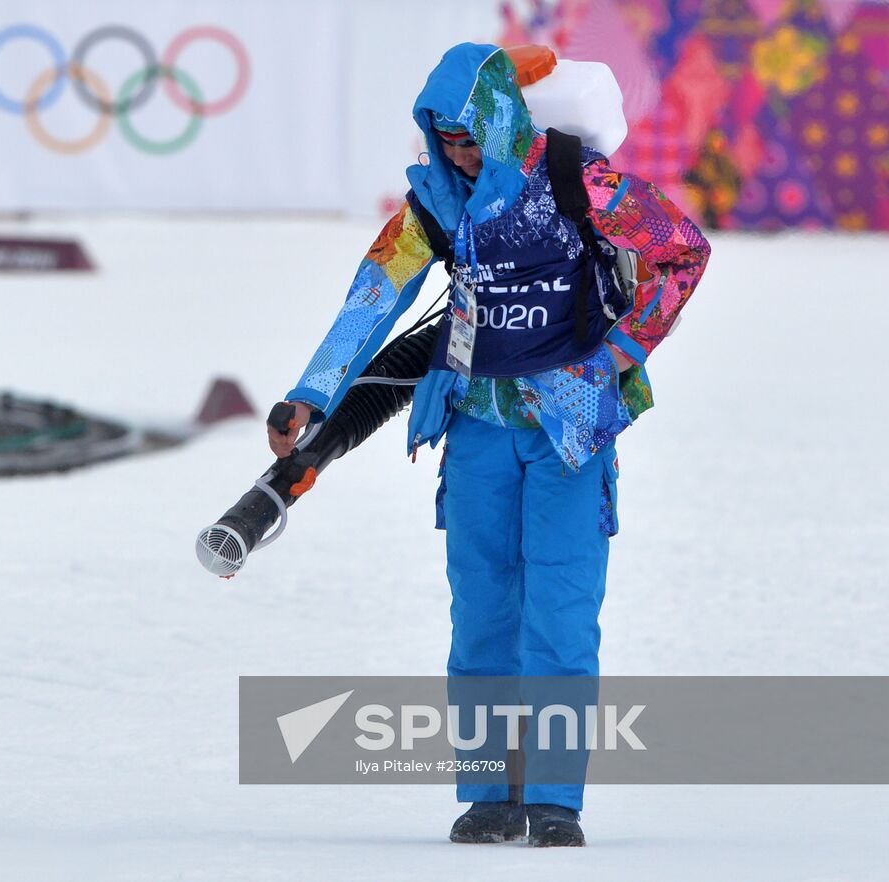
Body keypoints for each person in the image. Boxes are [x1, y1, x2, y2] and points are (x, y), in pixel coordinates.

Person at [266, 43, 711, 847]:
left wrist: (620, 355)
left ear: (504, 119)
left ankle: (554, 799)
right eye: (444, 139)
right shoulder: (436, 198)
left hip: (570, 429)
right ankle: (487, 794)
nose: (460, 153)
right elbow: (374, 295)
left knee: (562, 614)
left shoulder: (578, 178)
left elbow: (681, 249)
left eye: (470, 135)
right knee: (480, 615)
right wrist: (311, 392)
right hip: (473, 426)